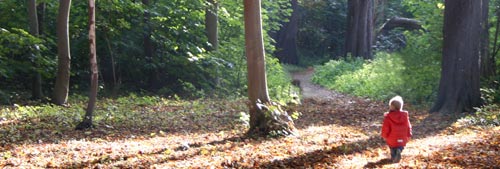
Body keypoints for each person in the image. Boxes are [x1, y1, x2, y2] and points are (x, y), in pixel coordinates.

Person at [381, 96, 412, 163]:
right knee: (400, 145)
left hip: (392, 137)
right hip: (402, 137)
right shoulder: (405, 116)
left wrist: (384, 135)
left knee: (392, 147)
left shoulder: (388, 117)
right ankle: (399, 150)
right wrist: (409, 134)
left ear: (391, 107)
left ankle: (394, 157)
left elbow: (386, 128)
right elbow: (408, 126)